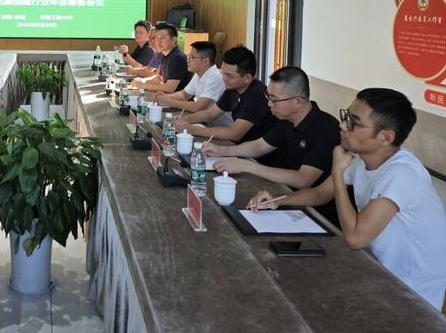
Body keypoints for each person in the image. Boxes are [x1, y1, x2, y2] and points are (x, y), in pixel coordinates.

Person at [249, 88, 446, 310]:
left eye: (354, 122)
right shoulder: (361, 159)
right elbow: (320, 194)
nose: (343, 126)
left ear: (386, 137)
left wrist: (337, 172)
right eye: (346, 116)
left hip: (413, 294)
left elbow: (355, 238)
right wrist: (278, 200)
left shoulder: (401, 173)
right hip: (377, 273)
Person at [206, 66, 341, 224]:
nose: (269, 104)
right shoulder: (287, 119)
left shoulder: (326, 128)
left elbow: (303, 179)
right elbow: (259, 146)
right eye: (268, 96)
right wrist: (221, 150)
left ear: (297, 101)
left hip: (316, 214)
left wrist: (247, 166)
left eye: (274, 99)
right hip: (283, 195)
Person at [176, 46, 279, 164]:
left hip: (259, 158)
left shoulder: (256, 95)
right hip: (239, 150)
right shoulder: (232, 88)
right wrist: (185, 119)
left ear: (247, 78)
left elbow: (235, 133)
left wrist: (192, 129)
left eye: (229, 75)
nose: (224, 78)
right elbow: (211, 113)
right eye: (223, 73)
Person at [155, 41, 223, 113]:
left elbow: (198, 107)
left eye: (192, 57)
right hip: (203, 117)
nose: (187, 60)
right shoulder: (198, 73)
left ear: (205, 60)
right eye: (188, 56)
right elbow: (184, 94)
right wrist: (166, 97)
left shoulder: (215, 77)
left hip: (215, 120)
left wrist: (169, 102)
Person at [132, 22, 191, 93]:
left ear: (173, 40)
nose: (158, 42)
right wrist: (142, 81)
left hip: (177, 99)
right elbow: (159, 78)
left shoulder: (177, 57)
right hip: (167, 97)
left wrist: (143, 85)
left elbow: (170, 87)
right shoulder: (165, 54)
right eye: (156, 38)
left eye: (162, 38)